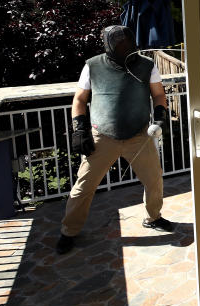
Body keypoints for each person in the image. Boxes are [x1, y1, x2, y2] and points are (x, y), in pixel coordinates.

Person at [56, 25, 175, 254]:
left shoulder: (146, 65)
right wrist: (79, 129)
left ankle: (153, 217)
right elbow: (80, 99)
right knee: (83, 187)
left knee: (154, 181)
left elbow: (159, 95)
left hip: (139, 136)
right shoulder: (93, 65)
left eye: (127, 41)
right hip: (102, 136)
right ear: (109, 44)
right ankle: (68, 231)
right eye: (119, 42)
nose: (124, 46)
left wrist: (160, 118)